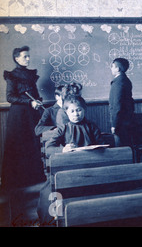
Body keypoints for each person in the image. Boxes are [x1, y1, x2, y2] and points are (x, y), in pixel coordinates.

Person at [38, 95, 103, 225]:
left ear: (84, 110)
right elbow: (49, 148)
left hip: (90, 166)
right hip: (67, 169)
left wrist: (97, 148)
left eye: (79, 110)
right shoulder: (63, 128)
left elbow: (101, 143)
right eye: (72, 111)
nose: (76, 114)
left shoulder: (92, 126)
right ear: (66, 112)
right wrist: (63, 149)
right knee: (49, 194)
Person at [2, 46, 45, 191]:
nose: (28, 59)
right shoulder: (12, 75)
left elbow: (33, 93)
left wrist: (37, 100)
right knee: (20, 145)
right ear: (17, 58)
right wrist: (29, 102)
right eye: (25, 56)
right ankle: (19, 182)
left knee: (32, 143)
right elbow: (10, 97)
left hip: (31, 114)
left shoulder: (30, 74)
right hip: (19, 116)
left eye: (28, 56)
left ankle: (33, 179)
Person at [109, 58, 135, 147]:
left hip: (121, 123)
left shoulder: (118, 82)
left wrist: (114, 125)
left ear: (118, 68)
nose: (111, 68)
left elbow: (117, 105)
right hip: (127, 120)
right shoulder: (125, 80)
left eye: (112, 66)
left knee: (121, 148)